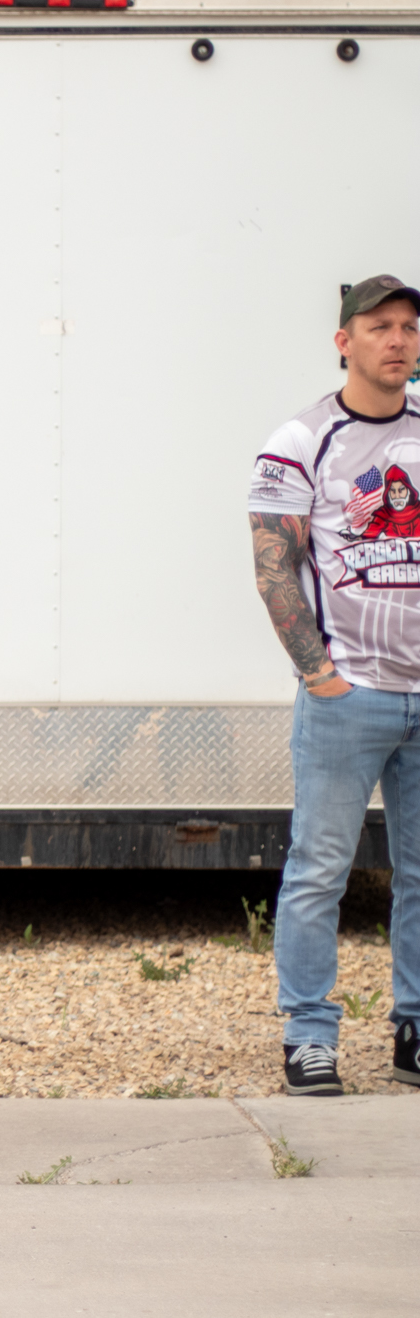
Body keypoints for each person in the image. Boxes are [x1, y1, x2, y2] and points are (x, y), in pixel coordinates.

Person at [248, 273, 420, 1097]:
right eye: (380, 326)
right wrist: (319, 675)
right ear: (344, 341)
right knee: (320, 870)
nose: (398, 340)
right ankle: (310, 1034)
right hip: (349, 695)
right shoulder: (301, 439)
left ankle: (414, 1029)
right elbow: (272, 565)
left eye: (409, 327)